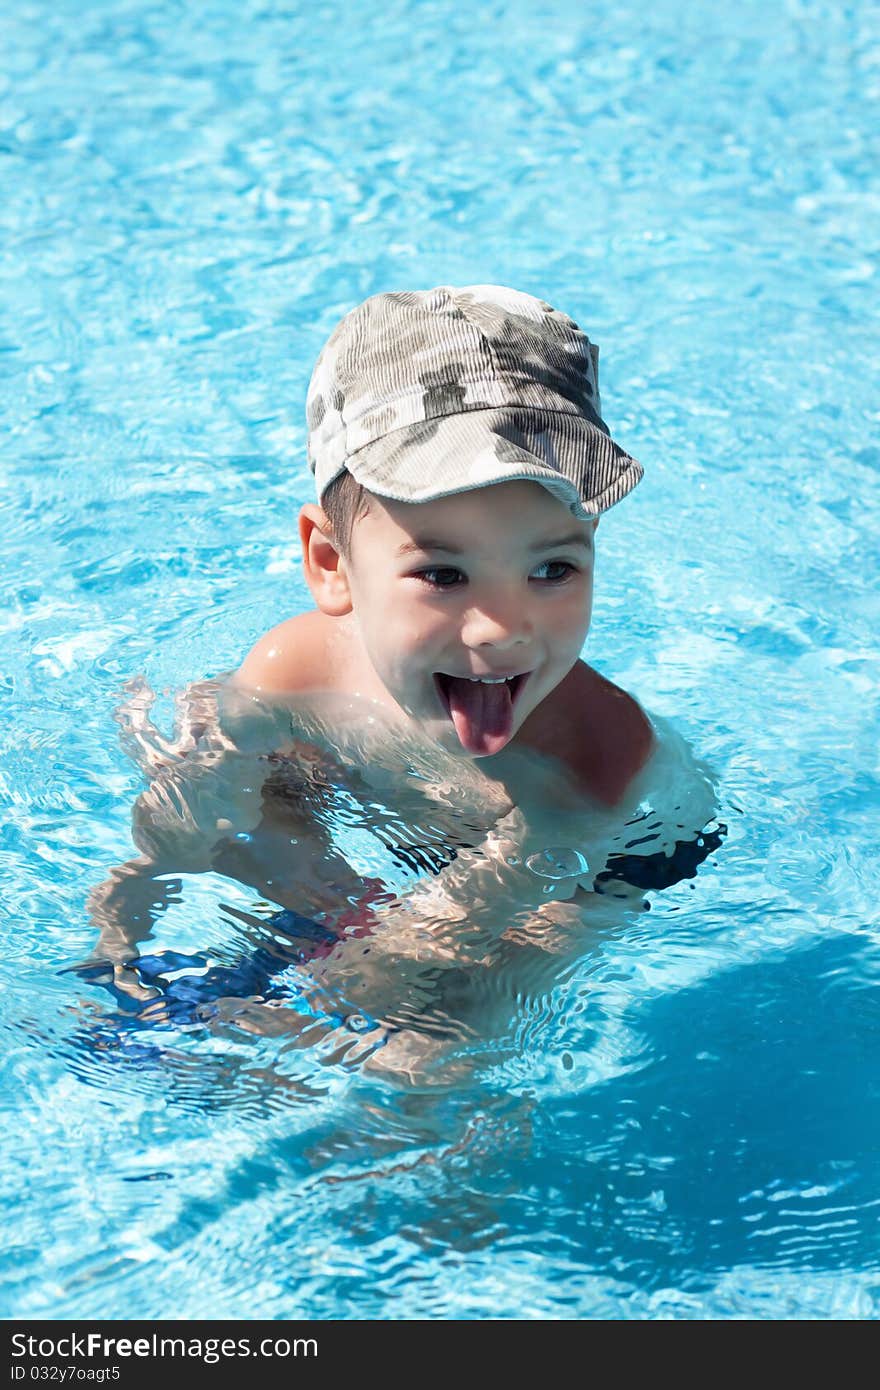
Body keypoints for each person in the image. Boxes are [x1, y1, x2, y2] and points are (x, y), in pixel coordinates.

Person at [83, 285, 723, 1079]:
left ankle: (450, 1183)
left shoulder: (597, 758)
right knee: (226, 796)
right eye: (443, 573)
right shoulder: (299, 667)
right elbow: (199, 796)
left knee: (444, 1038)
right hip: (429, 822)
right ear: (331, 564)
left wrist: (339, 985)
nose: (503, 628)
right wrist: (168, 854)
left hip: (601, 860)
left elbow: (451, 927)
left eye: (553, 568)